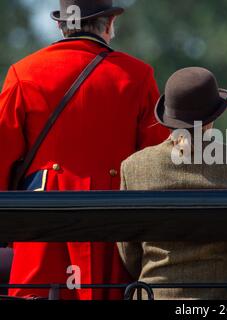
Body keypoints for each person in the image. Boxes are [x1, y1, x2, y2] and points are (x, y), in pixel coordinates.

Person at [0, 0, 169, 300]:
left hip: (41, 225)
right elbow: (156, 164)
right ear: (108, 24)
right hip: (114, 225)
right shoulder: (138, 76)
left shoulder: (23, 72)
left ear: (60, 25)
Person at [118, 67, 227, 300]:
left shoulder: (134, 167)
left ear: (168, 118)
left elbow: (129, 253)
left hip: (155, 293)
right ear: (212, 118)